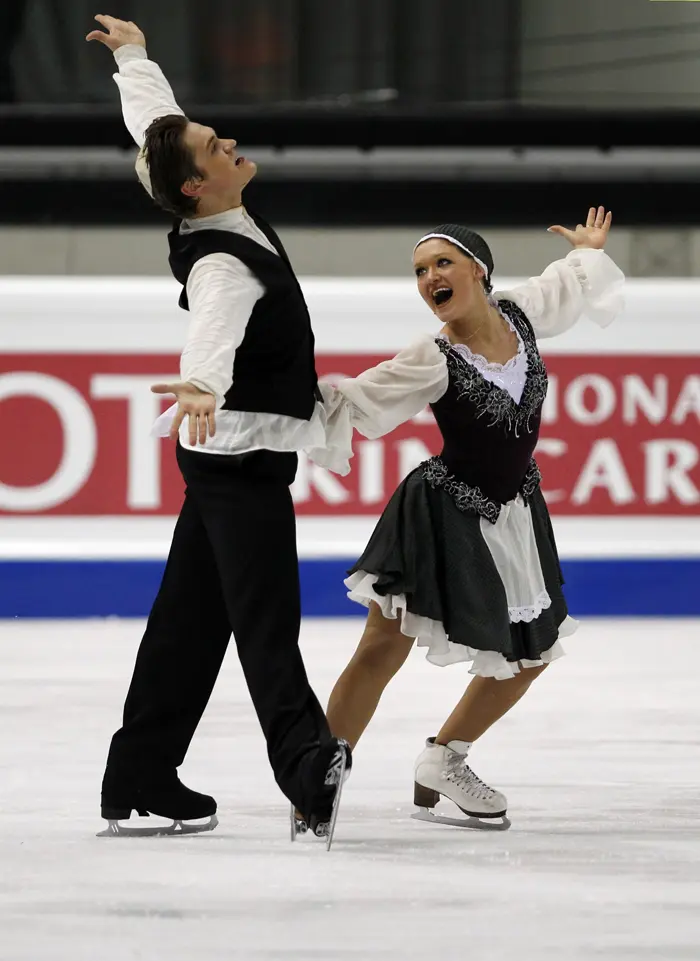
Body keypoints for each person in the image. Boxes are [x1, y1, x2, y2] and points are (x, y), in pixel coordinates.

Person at [86, 15, 350, 842]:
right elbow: (212, 328)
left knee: (190, 621)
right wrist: (200, 384)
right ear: (198, 187)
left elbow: (154, 125)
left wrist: (134, 57)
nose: (227, 140)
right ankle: (310, 768)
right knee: (266, 621)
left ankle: (139, 774)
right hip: (235, 462)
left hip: (227, 458)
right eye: (214, 146)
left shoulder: (203, 200)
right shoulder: (221, 262)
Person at [316, 211, 624, 827]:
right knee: (382, 647)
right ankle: (315, 771)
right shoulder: (431, 357)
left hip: (513, 513)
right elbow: (353, 398)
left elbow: (565, 283)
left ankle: (444, 759)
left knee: (531, 654)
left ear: (478, 271)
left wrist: (586, 253)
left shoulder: (519, 314)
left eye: (441, 264)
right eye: (420, 272)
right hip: (440, 511)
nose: (430, 277)